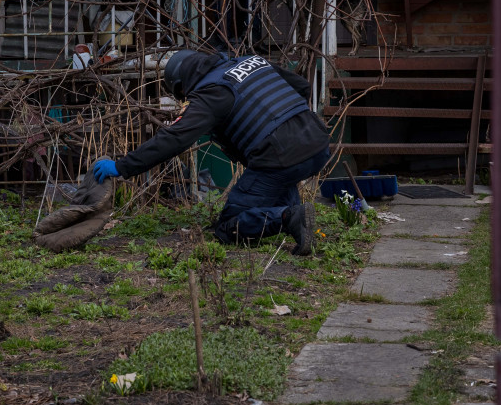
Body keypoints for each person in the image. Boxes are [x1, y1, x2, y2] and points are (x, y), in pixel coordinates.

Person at [92, 50, 330, 255]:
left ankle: (289, 218)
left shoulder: (212, 93)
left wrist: (123, 166)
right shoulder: (250, 61)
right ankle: (296, 213)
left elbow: (175, 138)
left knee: (228, 226)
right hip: (318, 144)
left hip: (281, 157)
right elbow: (302, 87)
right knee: (277, 177)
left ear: (182, 85)